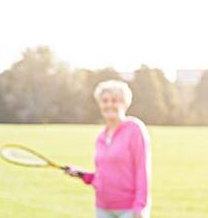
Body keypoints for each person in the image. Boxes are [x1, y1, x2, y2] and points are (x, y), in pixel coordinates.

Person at [65, 80, 152, 218]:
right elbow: (104, 175)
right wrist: (83, 174)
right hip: (103, 208)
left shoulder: (134, 129)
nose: (109, 104)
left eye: (114, 100)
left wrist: (140, 207)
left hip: (129, 210)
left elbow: (142, 171)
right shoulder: (101, 137)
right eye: (105, 101)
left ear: (124, 103)